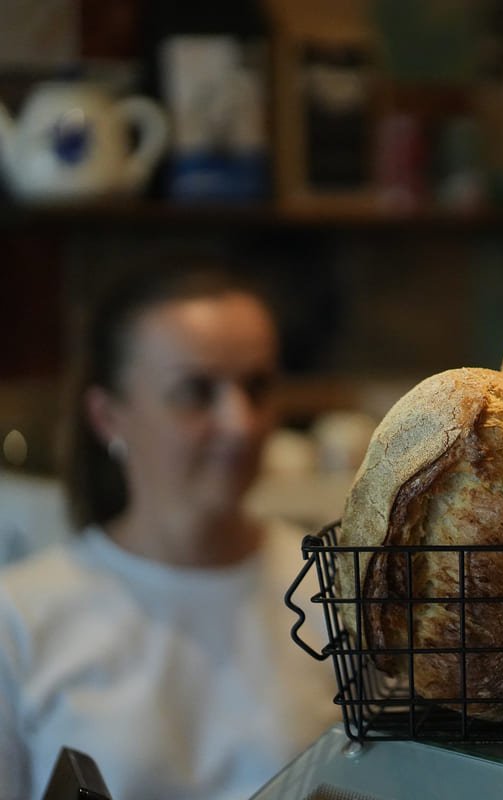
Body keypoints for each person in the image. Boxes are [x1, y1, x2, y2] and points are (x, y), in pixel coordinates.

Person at [0, 264, 339, 800]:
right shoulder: (19, 618)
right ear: (108, 416)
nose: (240, 423)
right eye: (196, 391)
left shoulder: (331, 589)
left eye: (257, 387)